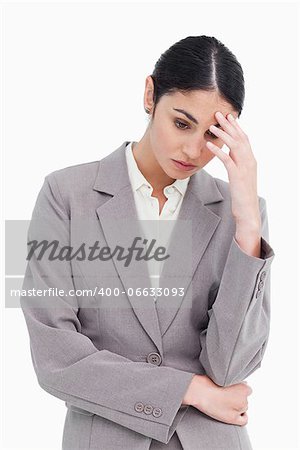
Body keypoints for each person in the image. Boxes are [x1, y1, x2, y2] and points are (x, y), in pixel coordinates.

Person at [20, 35, 275, 449]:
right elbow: (55, 359)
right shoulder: (64, 195)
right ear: (150, 94)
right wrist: (188, 389)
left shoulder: (243, 213)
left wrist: (247, 227)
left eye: (212, 134)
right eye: (181, 122)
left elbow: (230, 369)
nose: (193, 150)